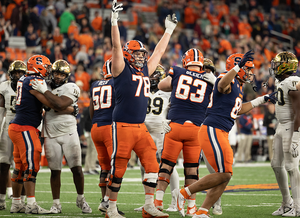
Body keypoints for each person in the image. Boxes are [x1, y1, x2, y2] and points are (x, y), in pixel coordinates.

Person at [173, 50, 277, 217]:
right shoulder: (225, 78)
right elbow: (221, 85)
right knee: (224, 173)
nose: (250, 73)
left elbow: (239, 109)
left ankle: (202, 211)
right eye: (247, 69)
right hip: (212, 129)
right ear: (239, 67)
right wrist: (237, 66)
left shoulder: (238, 86)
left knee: (225, 175)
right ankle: (183, 193)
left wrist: (263, 99)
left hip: (221, 131)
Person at [108, 0, 177, 217]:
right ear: (129, 55)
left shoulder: (144, 71)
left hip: (140, 127)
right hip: (123, 125)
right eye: (137, 53)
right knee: (119, 167)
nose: (141, 56)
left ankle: (149, 205)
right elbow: (116, 46)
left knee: (152, 164)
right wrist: (114, 21)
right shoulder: (120, 68)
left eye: (141, 54)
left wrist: (169, 30)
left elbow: (158, 51)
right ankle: (110, 207)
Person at [155, 48, 216, 217]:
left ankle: (157, 202)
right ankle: (191, 207)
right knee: (192, 170)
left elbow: (161, 86)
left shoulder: (178, 71)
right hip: (196, 129)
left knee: (166, 166)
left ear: (185, 61)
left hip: (175, 126)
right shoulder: (210, 79)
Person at [30, 59, 92, 214]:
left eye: (61, 74)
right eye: (56, 73)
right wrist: (71, 109)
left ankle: (81, 199)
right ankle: (56, 204)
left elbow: (59, 105)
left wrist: (47, 95)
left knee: (77, 169)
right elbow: (56, 106)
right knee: (54, 171)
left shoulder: (71, 87)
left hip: (69, 132)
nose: (58, 76)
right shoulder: (46, 85)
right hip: (50, 133)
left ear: (67, 75)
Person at [8, 55, 54, 214]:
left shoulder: (23, 79)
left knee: (19, 167)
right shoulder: (35, 80)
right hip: (25, 128)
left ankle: (16, 203)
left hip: (16, 126)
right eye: (47, 67)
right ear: (39, 66)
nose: (48, 70)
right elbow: (49, 104)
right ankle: (31, 205)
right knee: (31, 166)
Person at [134, 65, 180, 212]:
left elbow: (176, 107)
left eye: (155, 76)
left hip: (161, 131)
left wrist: (170, 120)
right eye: (151, 76)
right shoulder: (142, 89)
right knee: (144, 165)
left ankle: (175, 201)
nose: (152, 79)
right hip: (145, 130)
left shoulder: (167, 92)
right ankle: (149, 201)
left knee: (168, 165)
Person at [89, 59, 124, 216]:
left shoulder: (96, 84)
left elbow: (91, 109)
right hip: (110, 127)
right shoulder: (117, 83)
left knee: (105, 167)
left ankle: (104, 200)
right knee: (115, 166)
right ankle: (110, 203)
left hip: (96, 127)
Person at [268, 51, 300, 217]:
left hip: (291, 127)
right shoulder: (282, 82)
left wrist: (295, 136)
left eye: (278, 64)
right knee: (276, 164)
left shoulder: (294, 81)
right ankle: (286, 203)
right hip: (281, 126)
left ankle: (298, 206)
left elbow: (299, 110)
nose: (275, 67)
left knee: (292, 167)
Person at [0, 61, 26, 211]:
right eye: (15, 73)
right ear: (10, 74)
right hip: (8, 127)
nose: (18, 76)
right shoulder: (4, 86)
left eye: (20, 73)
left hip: (24, 127)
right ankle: (1, 199)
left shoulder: (29, 86)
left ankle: (21, 200)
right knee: (3, 164)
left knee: (22, 166)